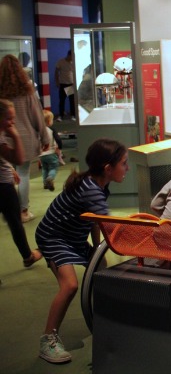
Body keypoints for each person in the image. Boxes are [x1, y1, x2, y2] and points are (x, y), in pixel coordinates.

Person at [35, 138, 129, 364]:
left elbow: (94, 222)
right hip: (54, 237)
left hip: (72, 236)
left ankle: (104, 320)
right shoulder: (92, 191)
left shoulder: (98, 185)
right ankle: (47, 340)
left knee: (101, 268)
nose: (127, 168)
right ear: (108, 168)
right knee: (70, 286)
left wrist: (96, 249)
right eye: (124, 163)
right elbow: (109, 226)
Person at [0, 54, 51, 223]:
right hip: (26, 138)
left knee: (5, 175)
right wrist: (45, 138)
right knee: (23, 174)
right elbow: (37, 114)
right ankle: (22, 211)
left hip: (3, 138)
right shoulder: (27, 90)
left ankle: (8, 211)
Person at [0, 99, 43, 268]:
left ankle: (27, 255)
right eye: (8, 118)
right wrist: (16, 137)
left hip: (4, 181)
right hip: (3, 187)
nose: (12, 122)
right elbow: (18, 158)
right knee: (15, 222)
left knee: (14, 220)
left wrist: (9, 168)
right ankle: (27, 256)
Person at [39, 110, 65, 192]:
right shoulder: (52, 130)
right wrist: (60, 147)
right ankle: (50, 178)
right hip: (51, 153)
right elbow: (58, 140)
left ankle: (45, 183)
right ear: (49, 121)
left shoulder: (39, 131)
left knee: (44, 168)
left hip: (41, 154)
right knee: (53, 167)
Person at [54, 50, 76, 121]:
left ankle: (73, 115)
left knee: (72, 101)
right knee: (62, 101)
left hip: (71, 84)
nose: (72, 58)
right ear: (69, 55)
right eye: (71, 56)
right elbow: (56, 72)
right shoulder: (61, 62)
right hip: (63, 84)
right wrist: (57, 81)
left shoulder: (73, 63)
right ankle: (61, 116)